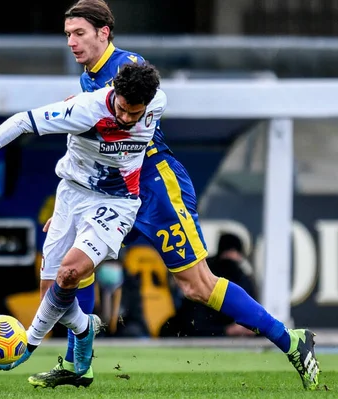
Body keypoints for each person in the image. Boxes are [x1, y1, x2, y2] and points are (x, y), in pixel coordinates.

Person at [29, 0, 320, 391]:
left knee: (197, 285)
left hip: (155, 184)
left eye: (79, 33)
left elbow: (133, 127)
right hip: (116, 189)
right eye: (68, 35)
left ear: (104, 33)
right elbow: (94, 148)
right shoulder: (90, 77)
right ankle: (78, 363)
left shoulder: (127, 71)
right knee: (75, 266)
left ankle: (290, 339)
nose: (72, 42)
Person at [0, 63, 166, 377]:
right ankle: (84, 330)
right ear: (115, 94)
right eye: (123, 110)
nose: (127, 119)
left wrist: (29, 341)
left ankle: (28, 344)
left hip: (118, 201)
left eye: (134, 113)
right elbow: (21, 121)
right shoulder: (85, 109)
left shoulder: (157, 102)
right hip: (71, 197)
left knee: (70, 272)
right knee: (52, 296)